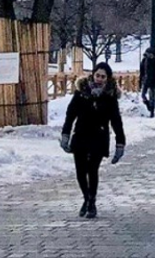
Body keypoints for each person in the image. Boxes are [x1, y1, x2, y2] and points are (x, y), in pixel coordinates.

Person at [60, 62, 126, 218]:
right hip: (81, 134)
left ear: (107, 78)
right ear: (92, 75)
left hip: (99, 136)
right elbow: (71, 114)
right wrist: (65, 134)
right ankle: (86, 198)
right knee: (80, 172)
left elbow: (116, 121)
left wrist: (120, 143)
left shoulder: (110, 96)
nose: (99, 79)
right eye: (97, 75)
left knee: (92, 169)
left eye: (103, 77)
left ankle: (92, 202)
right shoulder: (81, 92)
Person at [139, 48, 155, 117]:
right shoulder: (144, 61)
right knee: (143, 95)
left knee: (152, 97)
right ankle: (148, 104)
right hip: (145, 80)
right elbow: (142, 72)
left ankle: (152, 111)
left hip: (153, 81)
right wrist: (140, 81)